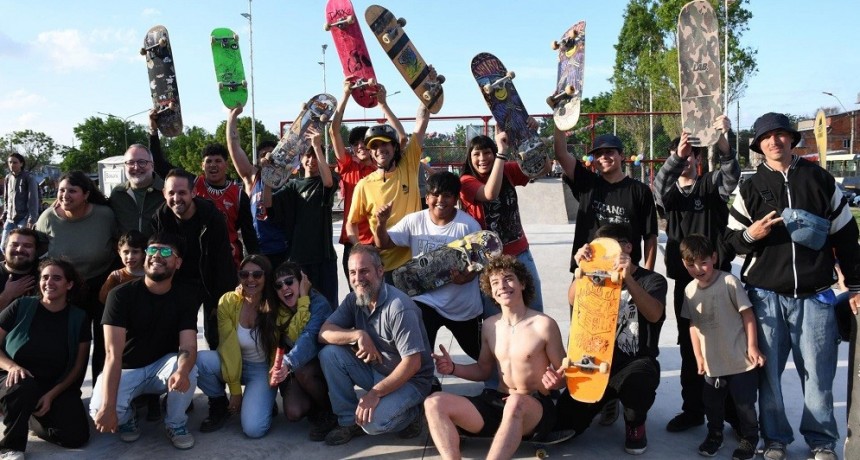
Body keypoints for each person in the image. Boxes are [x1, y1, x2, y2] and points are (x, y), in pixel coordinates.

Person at [724, 112, 860, 460]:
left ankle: (821, 441)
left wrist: (856, 286)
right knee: (768, 376)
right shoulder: (749, 187)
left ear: (791, 139)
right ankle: (775, 439)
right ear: (758, 145)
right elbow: (729, 241)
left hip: (816, 297)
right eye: (767, 137)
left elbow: (846, 236)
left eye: (781, 134)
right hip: (765, 298)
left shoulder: (821, 179)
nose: (775, 141)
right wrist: (750, 234)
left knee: (818, 376)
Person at [424, 255, 566, 460]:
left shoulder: (543, 324)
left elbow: (566, 374)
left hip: (533, 406)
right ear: (491, 292)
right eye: (495, 283)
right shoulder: (490, 325)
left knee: (515, 401)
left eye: (508, 278)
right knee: (433, 402)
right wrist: (454, 368)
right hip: (497, 401)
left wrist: (556, 382)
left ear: (522, 283)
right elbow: (484, 370)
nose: (503, 286)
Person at [652, 115, 739, 432]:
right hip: (685, 284)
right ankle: (693, 410)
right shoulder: (670, 196)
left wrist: (722, 139)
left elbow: (731, 176)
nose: (687, 160)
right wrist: (677, 155)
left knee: (724, 345)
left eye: (691, 155)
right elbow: (658, 185)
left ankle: (733, 413)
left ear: (700, 159)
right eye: (681, 156)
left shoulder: (711, 185)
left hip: (717, 280)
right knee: (690, 347)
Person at [554, 223, 667, 455]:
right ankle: (606, 401)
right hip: (594, 364)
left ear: (627, 247)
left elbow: (654, 314)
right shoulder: (591, 278)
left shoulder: (651, 280)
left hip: (634, 363)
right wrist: (582, 268)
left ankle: (635, 423)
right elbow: (574, 300)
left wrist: (628, 279)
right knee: (562, 425)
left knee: (638, 383)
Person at [196, 257, 335, 440]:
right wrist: (235, 391)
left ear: (265, 277)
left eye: (257, 274)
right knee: (199, 361)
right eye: (244, 274)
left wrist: (303, 300)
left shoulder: (276, 306)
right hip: (234, 363)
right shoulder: (229, 302)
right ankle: (218, 403)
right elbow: (228, 348)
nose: (250, 279)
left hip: (265, 369)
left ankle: (325, 411)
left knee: (255, 429)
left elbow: (299, 337)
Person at [90, 232, 199, 450]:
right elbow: (112, 354)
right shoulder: (120, 295)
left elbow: (188, 346)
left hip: (161, 367)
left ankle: (175, 423)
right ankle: (127, 416)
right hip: (126, 369)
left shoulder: (185, 295)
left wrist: (182, 371)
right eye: (152, 250)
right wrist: (110, 406)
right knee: (99, 411)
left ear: (177, 263)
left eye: (166, 252)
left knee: (189, 367)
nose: (157, 255)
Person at [317, 244, 433, 446]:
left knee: (373, 424)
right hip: (377, 370)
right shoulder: (355, 299)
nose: (357, 278)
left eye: (364, 271)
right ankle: (347, 421)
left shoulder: (399, 307)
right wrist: (357, 334)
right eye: (352, 272)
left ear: (380, 271)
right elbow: (324, 333)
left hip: (411, 380)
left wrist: (374, 394)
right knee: (330, 354)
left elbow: (413, 364)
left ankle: (414, 414)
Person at [373, 171, 483, 364]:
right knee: (420, 353)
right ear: (428, 196)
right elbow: (383, 243)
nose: (440, 200)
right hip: (425, 300)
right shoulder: (415, 220)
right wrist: (381, 223)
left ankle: (502, 384)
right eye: (435, 194)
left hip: (461, 305)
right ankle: (427, 384)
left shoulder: (468, 226)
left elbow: (479, 264)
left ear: (456, 199)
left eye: (447, 195)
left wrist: (465, 278)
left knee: (480, 353)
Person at [679, 234, 765, 460]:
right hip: (712, 364)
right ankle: (714, 435)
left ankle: (750, 438)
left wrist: (753, 347)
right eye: (691, 264)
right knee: (712, 405)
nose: (698, 269)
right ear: (683, 264)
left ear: (714, 258)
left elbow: (747, 314)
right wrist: (698, 356)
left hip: (740, 362)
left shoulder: (729, 282)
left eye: (703, 262)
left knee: (745, 405)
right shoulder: (689, 291)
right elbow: (693, 325)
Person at [0, 259, 91, 459]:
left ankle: (27, 414)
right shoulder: (21, 305)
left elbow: (77, 367)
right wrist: (12, 366)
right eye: (45, 277)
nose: (49, 282)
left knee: (75, 438)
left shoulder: (79, 317)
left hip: (51, 384)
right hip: (12, 379)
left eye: (56, 278)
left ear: (69, 284)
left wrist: (51, 395)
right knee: (22, 384)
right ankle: (10, 448)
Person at [35, 171, 118, 382]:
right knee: (71, 341)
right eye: (62, 190)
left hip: (102, 283)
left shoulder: (105, 215)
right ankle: (68, 391)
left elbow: (121, 244)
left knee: (103, 341)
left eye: (72, 191)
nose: (65, 195)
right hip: (68, 288)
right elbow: (37, 253)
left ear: (86, 194)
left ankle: (102, 388)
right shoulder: (47, 218)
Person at [148, 118, 259, 268]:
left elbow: (248, 234)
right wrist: (153, 132)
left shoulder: (238, 195)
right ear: (202, 165)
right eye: (208, 161)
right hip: (197, 258)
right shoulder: (192, 184)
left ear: (226, 164)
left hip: (227, 260)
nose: (213, 165)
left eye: (218, 161)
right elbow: (160, 165)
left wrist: (257, 264)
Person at [459, 129, 549, 312]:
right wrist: (501, 153)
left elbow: (543, 168)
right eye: (476, 154)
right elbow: (490, 194)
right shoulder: (466, 181)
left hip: (519, 252)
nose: (482, 158)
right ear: (470, 158)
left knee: (534, 306)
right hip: (487, 259)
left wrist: (529, 136)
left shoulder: (507, 170)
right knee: (494, 314)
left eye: (487, 153)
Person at [346, 93, 430, 278]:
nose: (379, 149)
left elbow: (422, 121)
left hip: (415, 260)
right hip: (384, 267)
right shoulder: (364, 185)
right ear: (371, 153)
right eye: (374, 147)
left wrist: (427, 90)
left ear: (394, 147)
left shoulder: (408, 164)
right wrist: (361, 249)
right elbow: (351, 225)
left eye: (384, 144)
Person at [152, 168, 236, 350]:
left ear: (194, 192)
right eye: (171, 193)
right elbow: (156, 259)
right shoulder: (160, 218)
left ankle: (217, 376)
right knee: (173, 335)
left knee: (217, 335)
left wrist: (220, 301)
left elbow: (223, 263)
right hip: (179, 281)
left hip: (209, 279)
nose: (176, 198)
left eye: (182, 192)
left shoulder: (212, 217)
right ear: (164, 194)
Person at [553, 128, 658, 273]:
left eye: (609, 152)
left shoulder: (640, 190)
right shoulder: (587, 183)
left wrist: (647, 274)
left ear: (621, 155)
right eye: (598, 154)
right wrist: (560, 120)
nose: (603, 157)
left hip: (624, 271)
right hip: (588, 268)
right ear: (594, 161)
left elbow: (650, 236)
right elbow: (561, 153)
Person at [330, 79, 391, 282]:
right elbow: (334, 131)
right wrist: (346, 95)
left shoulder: (383, 170)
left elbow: (401, 141)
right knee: (356, 299)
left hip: (380, 242)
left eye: (364, 142)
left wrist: (383, 103)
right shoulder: (348, 167)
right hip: (354, 243)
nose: (360, 146)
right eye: (355, 144)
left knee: (382, 297)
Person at [273, 127, 340, 308]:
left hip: (324, 257)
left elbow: (328, 182)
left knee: (328, 307)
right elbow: (268, 202)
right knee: (302, 306)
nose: (311, 160)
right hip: (299, 258)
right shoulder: (293, 186)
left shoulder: (327, 180)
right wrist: (267, 171)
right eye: (307, 156)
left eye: (314, 156)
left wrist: (317, 146)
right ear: (300, 159)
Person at [269, 261, 336, 441]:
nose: (285, 287)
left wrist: (287, 363)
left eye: (290, 281)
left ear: (303, 282)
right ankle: (315, 406)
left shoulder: (318, 303)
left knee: (303, 371)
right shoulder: (277, 309)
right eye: (279, 285)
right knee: (293, 412)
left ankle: (329, 412)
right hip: (294, 369)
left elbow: (309, 337)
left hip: (321, 366)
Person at [225, 106, 290, 269]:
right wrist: (232, 116)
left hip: (283, 248)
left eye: (272, 154)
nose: (268, 158)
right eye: (263, 155)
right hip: (256, 247)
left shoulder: (286, 179)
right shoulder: (251, 177)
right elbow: (233, 144)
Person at [109, 142, 169, 238]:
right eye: (131, 163)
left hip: (159, 252)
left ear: (152, 166)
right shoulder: (117, 194)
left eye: (142, 162)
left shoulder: (167, 192)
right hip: (128, 252)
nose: (136, 167)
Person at [98, 230, 147, 305]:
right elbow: (103, 299)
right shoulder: (117, 276)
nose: (130, 257)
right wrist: (111, 281)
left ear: (143, 254)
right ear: (119, 253)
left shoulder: (150, 274)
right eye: (126, 252)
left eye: (135, 252)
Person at [2, 153, 39, 248]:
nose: (12, 165)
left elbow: (33, 199)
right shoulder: (7, 178)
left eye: (15, 162)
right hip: (10, 219)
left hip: (24, 218)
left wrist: (32, 219)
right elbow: (6, 198)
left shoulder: (29, 177)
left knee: (21, 246)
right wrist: (5, 213)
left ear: (21, 164)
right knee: (3, 246)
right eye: (10, 162)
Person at [0, 228, 42, 310]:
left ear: (36, 251)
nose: (20, 249)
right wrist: (7, 295)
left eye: (27, 246)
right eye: (14, 245)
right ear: (4, 250)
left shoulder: (45, 272)